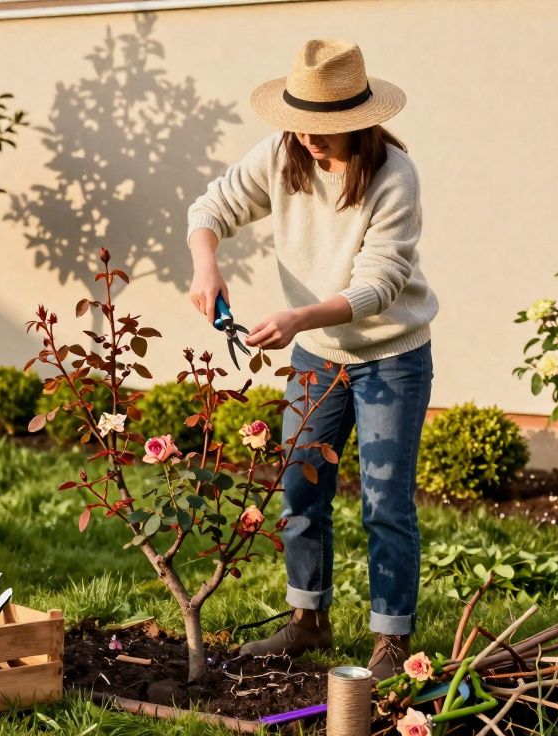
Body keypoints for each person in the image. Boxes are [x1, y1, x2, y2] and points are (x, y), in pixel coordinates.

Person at [185, 39, 438, 680]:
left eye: (322, 130)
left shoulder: (393, 178)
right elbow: (211, 207)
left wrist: (298, 316)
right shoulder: (283, 154)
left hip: (391, 357)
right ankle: (308, 618)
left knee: (385, 501)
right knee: (298, 487)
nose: (307, 140)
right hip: (318, 357)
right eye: (300, 125)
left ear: (358, 122)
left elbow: (377, 286)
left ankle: (391, 638)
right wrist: (205, 264)